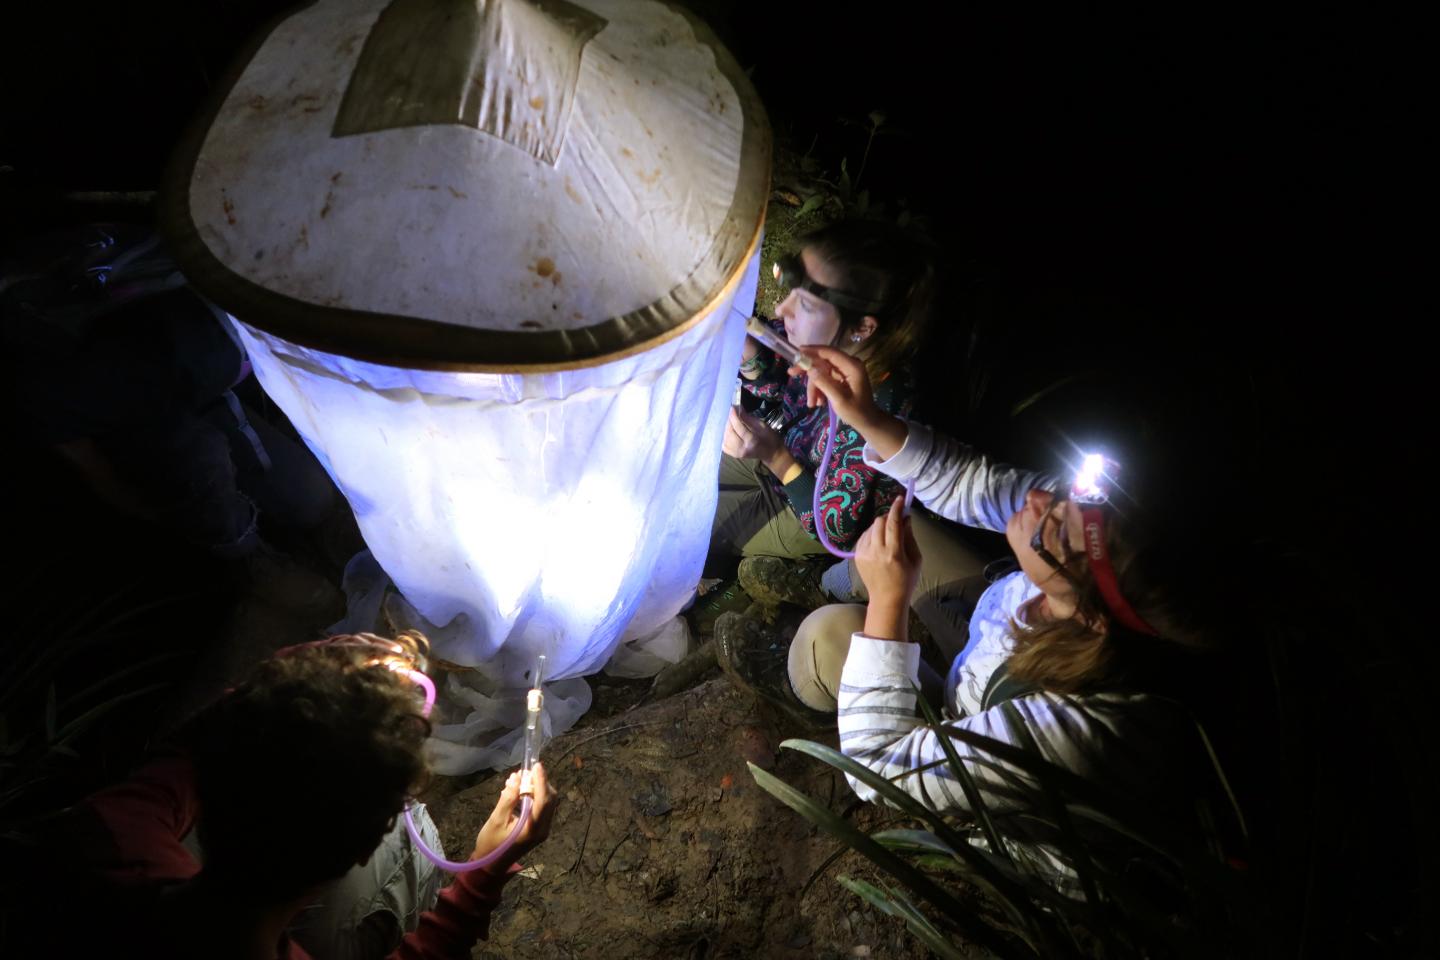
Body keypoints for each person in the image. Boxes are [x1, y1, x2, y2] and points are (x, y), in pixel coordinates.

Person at [778, 346, 1231, 885]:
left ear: (1091, 618)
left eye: (1055, 530)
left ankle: (811, 673)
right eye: (1074, 495)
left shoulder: (1079, 728)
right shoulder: (1108, 559)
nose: (1041, 500)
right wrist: (865, 416)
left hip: (1000, 799)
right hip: (983, 663)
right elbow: (977, 483)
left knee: (827, 640)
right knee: (911, 533)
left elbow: (879, 768)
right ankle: (852, 593)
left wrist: (888, 602)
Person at [46, 631, 557, 959]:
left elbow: (201, 739)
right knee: (417, 829)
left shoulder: (107, 838)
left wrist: (315, 664)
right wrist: (485, 870)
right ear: (362, 849)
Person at [709, 221, 995, 656]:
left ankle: (762, 582)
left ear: (863, 327)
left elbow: (836, 528)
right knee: (684, 474)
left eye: (803, 303)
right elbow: (778, 394)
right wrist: (749, 355)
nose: (780, 310)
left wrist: (775, 457)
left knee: (702, 524)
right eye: (785, 288)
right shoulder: (819, 347)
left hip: (804, 503)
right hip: (774, 450)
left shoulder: (884, 404)